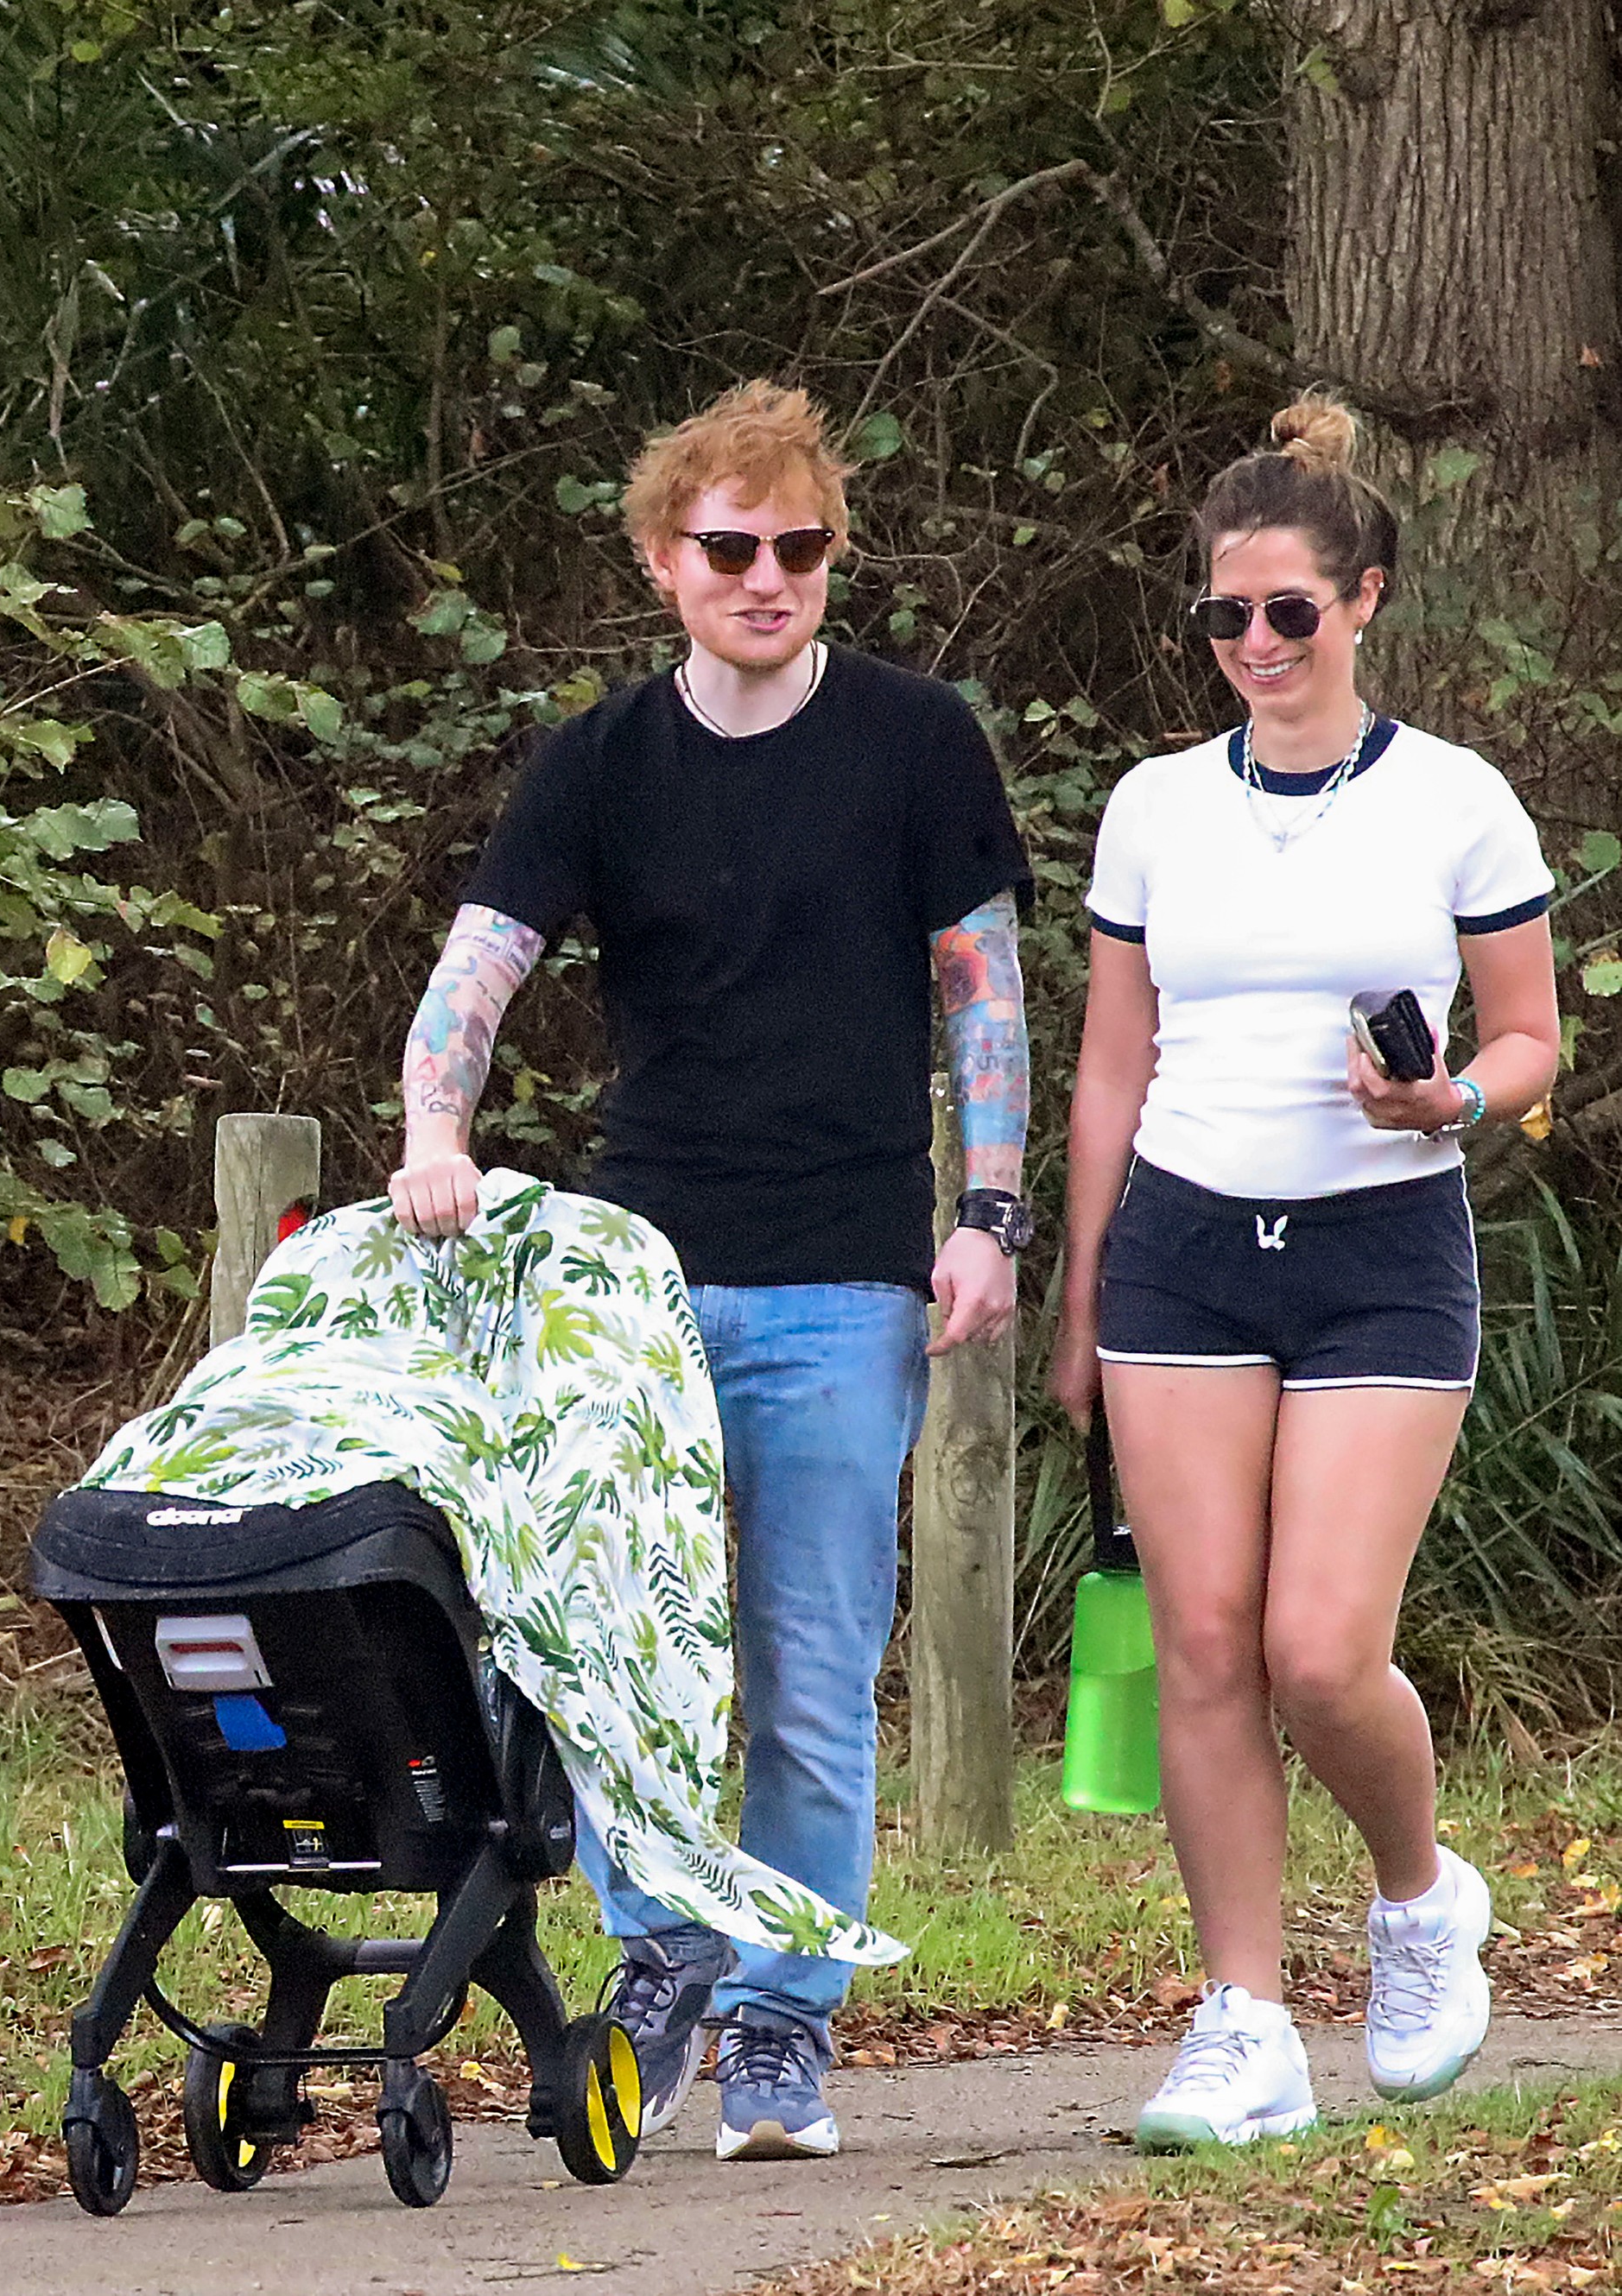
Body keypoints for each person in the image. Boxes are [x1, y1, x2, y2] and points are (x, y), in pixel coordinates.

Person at [390, 379, 1034, 2161]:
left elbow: (983, 990)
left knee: (811, 1675)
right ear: (662, 564)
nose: (768, 577)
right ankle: (663, 1950)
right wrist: (436, 1135)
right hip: (636, 1283)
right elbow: (476, 972)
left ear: (833, 556)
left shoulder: (916, 742)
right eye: (731, 547)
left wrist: (988, 1215)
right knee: (606, 1655)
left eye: (799, 547)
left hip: (843, 1280)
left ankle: (779, 2030)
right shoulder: (601, 760)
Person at [1049, 394, 1560, 2151]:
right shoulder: (1153, 808)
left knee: (1318, 1652)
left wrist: (1448, 1098)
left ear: (1365, 601)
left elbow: (1529, 1038)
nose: (1254, 643)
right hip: (1183, 1250)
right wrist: (1081, 1296)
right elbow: (1111, 1066)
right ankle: (1243, 2021)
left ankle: (1420, 1899)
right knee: (1201, 1645)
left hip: (1379, 1248)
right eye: (1223, 614)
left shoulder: (1454, 801)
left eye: (1287, 610)